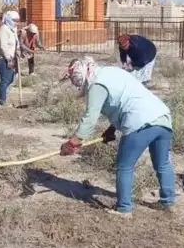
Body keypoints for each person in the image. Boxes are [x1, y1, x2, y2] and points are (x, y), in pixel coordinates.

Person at [59, 56, 175, 218]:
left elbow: (90, 118)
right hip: (162, 117)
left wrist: (73, 142)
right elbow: (125, 99)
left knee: (124, 166)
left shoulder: (96, 84)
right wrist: (111, 129)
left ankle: (124, 209)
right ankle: (167, 202)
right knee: (162, 163)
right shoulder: (111, 72)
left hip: (139, 122)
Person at [0, 10, 20, 106]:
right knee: (5, 79)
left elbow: (15, 43)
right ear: (9, 19)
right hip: (2, 58)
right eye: (15, 20)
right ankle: (3, 101)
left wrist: (17, 51)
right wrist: (9, 59)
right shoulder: (3, 29)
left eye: (18, 20)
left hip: (10, 58)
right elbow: (3, 46)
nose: (17, 22)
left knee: (11, 79)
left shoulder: (13, 29)